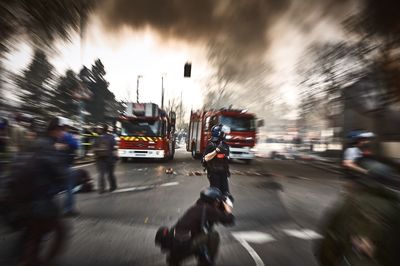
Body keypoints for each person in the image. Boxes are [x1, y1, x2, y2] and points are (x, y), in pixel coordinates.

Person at [13, 116, 68, 266]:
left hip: (24, 195)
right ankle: (40, 261)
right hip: (40, 198)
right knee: (59, 231)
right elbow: (59, 172)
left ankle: (27, 258)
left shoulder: (35, 143)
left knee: (34, 233)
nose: (63, 134)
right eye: (62, 131)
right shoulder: (49, 147)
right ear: (56, 131)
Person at [156, 187, 235, 266]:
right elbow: (229, 220)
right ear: (214, 201)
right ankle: (206, 262)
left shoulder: (197, 206)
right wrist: (228, 209)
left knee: (201, 235)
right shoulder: (208, 209)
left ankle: (174, 258)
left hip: (175, 245)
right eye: (218, 200)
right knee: (213, 236)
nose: (218, 202)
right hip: (184, 247)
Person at [202, 124, 233, 202]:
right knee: (216, 194)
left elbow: (226, 159)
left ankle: (225, 211)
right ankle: (214, 211)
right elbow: (206, 158)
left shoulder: (225, 145)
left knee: (226, 194)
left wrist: (227, 171)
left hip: (223, 173)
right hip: (213, 173)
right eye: (223, 133)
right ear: (219, 133)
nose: (224, 135)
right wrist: (216, 151)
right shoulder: (211, 145)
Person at [56, 117, 80, 217]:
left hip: (54, 165)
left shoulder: (53, 136)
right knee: (70, 187)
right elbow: (76, 145)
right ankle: (68, 209)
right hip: (66, 164)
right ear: (65, 126)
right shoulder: (67, 135)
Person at [93, 124, 117, 193]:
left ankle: (101, 189)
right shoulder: (111, 137)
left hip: (100, 159)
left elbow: (94, 149)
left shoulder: (97, 138)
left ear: (101, 130)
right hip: (110, 158)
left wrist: (95, 158)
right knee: (110, 173)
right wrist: (116, 157)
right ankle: (113, 187)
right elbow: (114, 148)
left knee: (101, 174)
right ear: (107, 130)